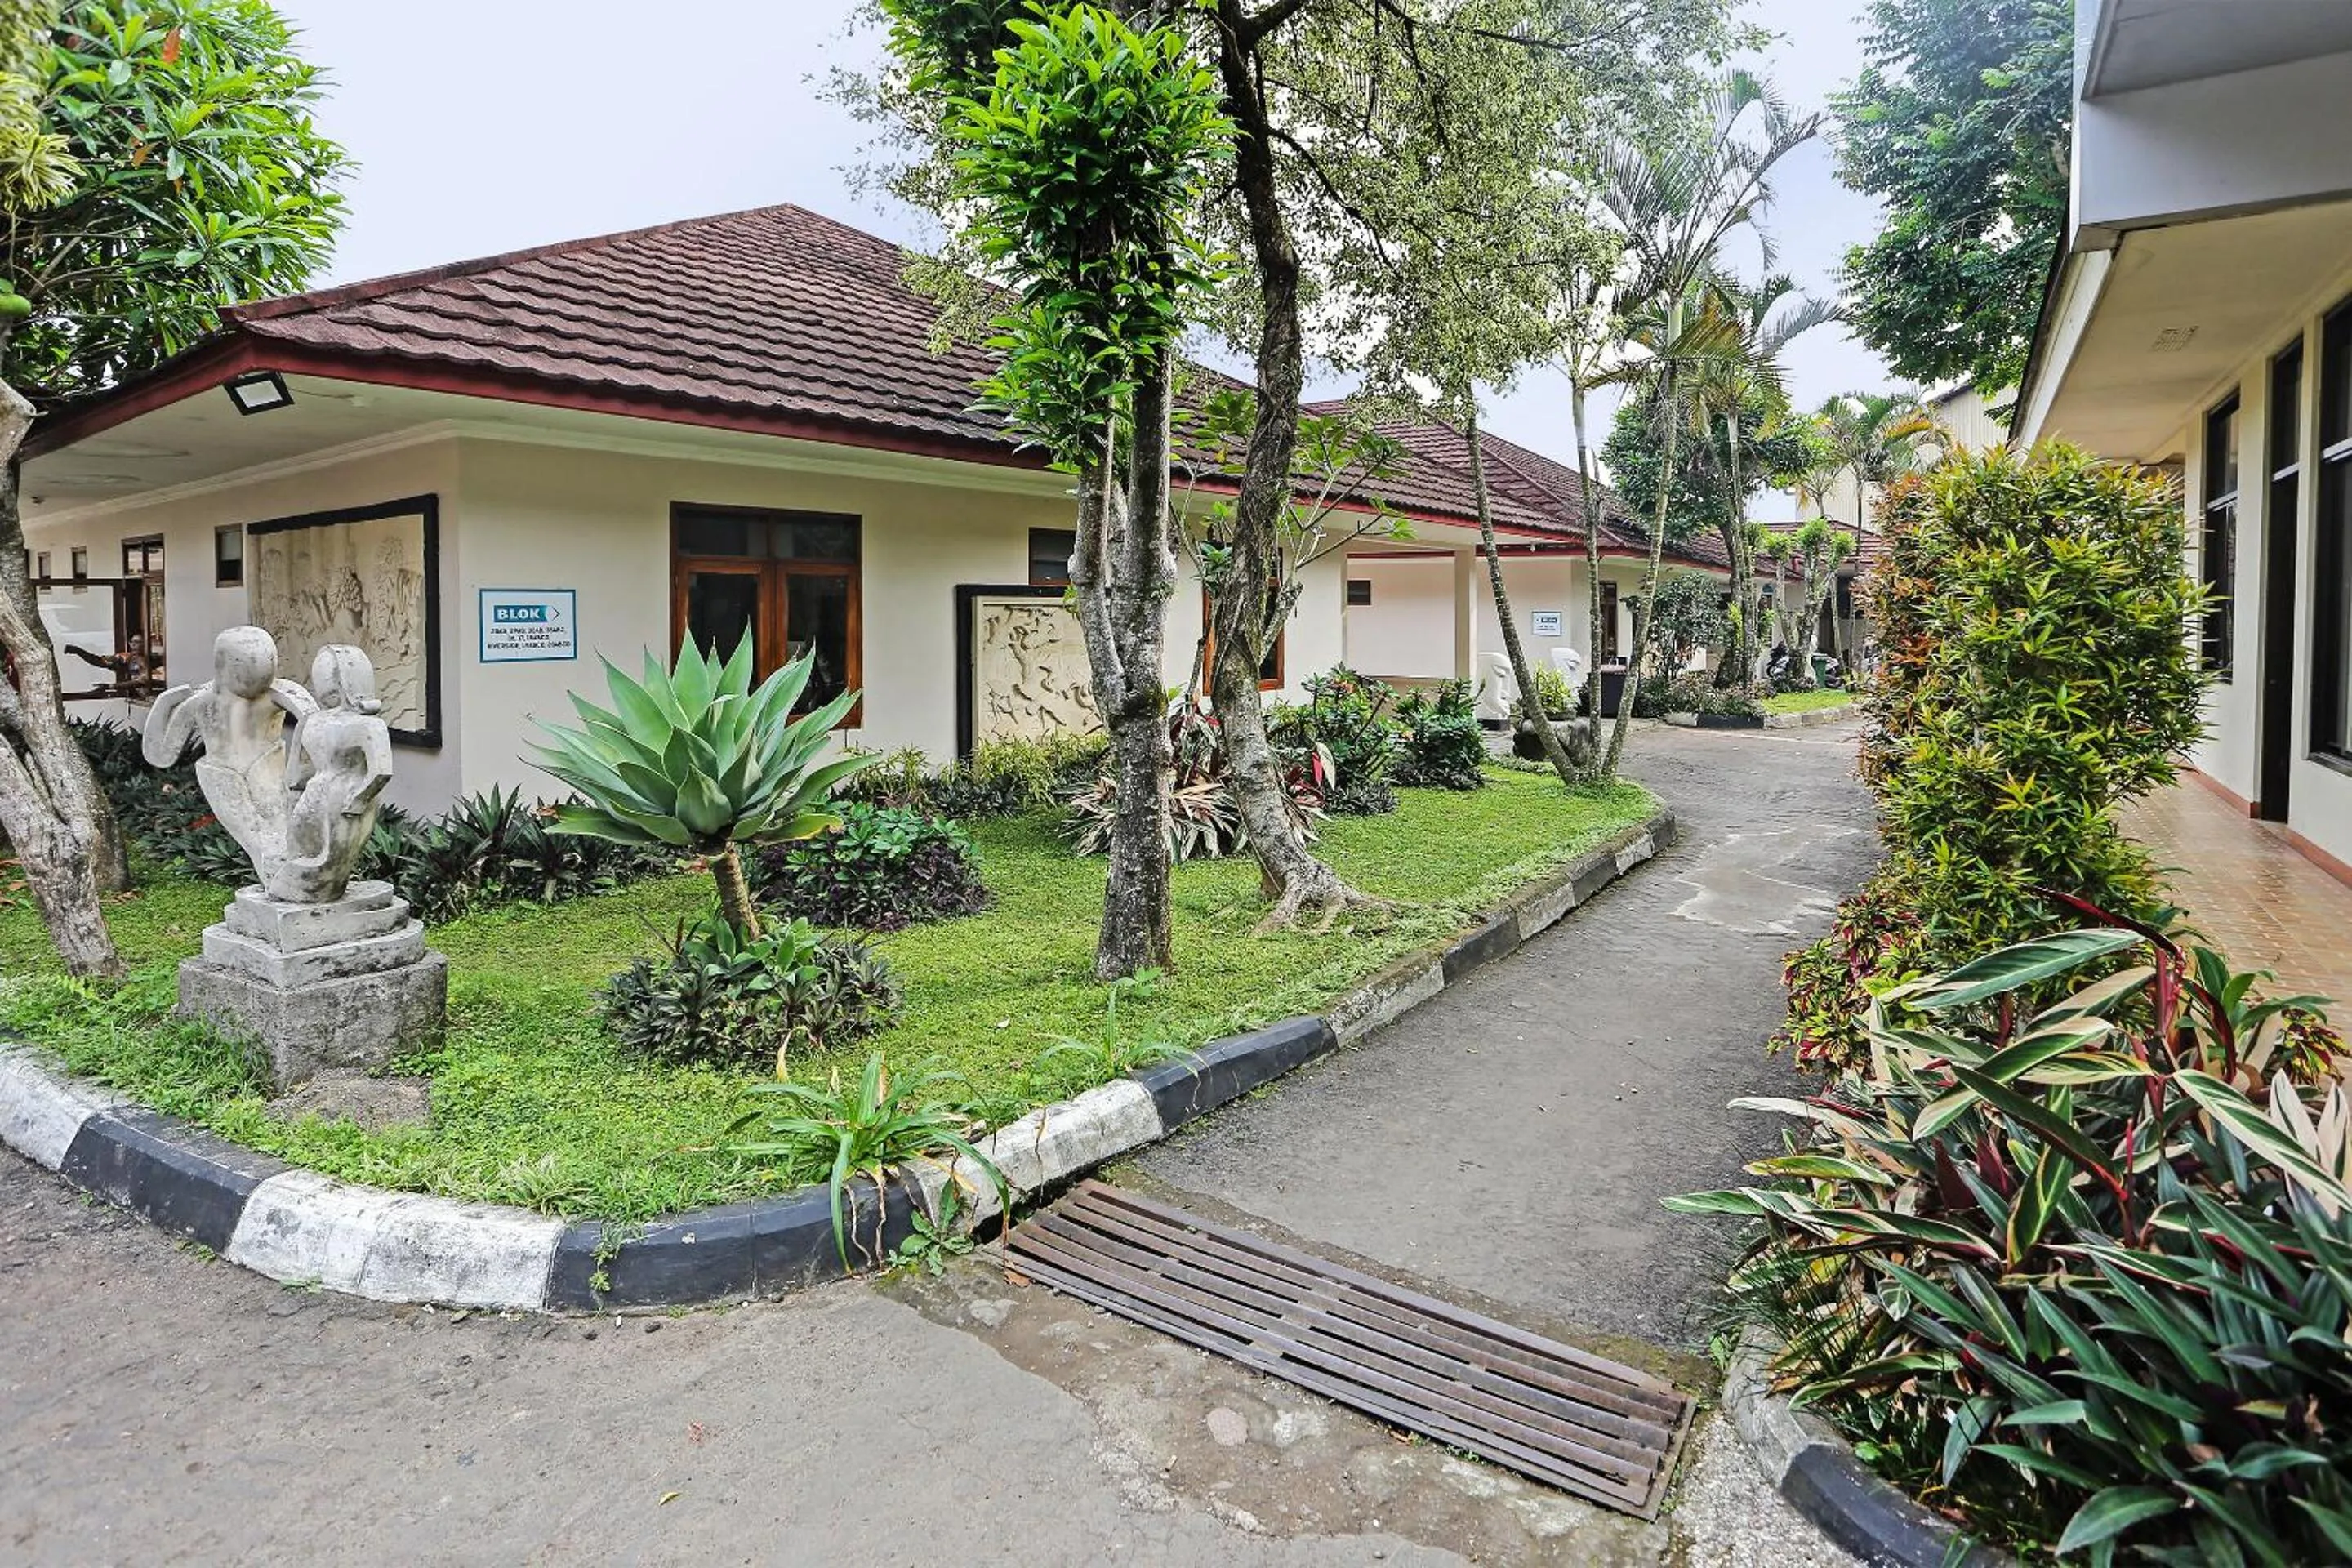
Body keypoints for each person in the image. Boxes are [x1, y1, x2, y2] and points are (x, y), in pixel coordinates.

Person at [142, 626, 315, 877]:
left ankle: (292, 886)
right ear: (223, 665)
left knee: (285, 836)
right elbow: (160, 754)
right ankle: (282, 888)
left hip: (268, 769)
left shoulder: (281, 692)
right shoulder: (201, 701)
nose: (260, 675)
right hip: (222, 776)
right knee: (260, 842)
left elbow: (317, 726)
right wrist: (166, 702)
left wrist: (302, 771)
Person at [269, 645, 394, 903]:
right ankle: (306, 895)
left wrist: (358, 800)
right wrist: (357, 800)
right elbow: (381, 771)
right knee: (311, 853)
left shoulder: (357, 723)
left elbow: (381, 771)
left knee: (327, 860)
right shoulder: (326, 721)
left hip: (334, 795)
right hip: (332, 794)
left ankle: (316, 896)